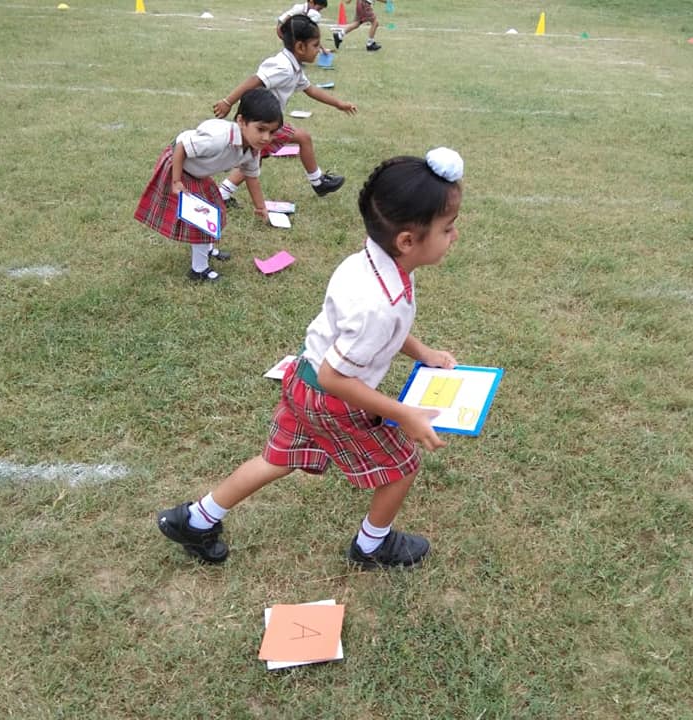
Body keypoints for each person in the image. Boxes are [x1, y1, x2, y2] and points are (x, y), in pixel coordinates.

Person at [157, 148, 465, 569]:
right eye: (448, 228)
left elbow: (374, 335)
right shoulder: (380, 304)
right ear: (407, 241)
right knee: (402, 466)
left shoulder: (368, 261)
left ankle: (196, 519)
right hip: (331, 397)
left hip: (302, 377)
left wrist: (422, 352)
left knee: (276, 459)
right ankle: (371, 546)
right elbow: (336, 377)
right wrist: (402, 414)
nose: (454, 236)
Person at [134, 89, 283, 282]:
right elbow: (181, 147)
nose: (266, 138)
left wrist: (260, 207)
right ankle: (199, 270)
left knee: (215, 211)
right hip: (180, 167)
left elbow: (251, 177)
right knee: (202, 220)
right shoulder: (218, 138)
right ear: (241, 121)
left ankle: (207, 249)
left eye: (272, 132)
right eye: (261, 129)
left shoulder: (253, 150)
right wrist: (177, 181)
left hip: (198, 173)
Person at [213, 15, 356, 208]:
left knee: (255, 159)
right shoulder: (283, 67)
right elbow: (255, 80)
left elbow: (310, 89)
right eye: (315, 45)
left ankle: (223, 193)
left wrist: (339, 104)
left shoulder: (294, 67)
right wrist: (227, 101)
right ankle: (318, 182)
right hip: (261, 122)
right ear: (300, 47)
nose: (318, 50)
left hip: (267, 122)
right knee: (295, 141)